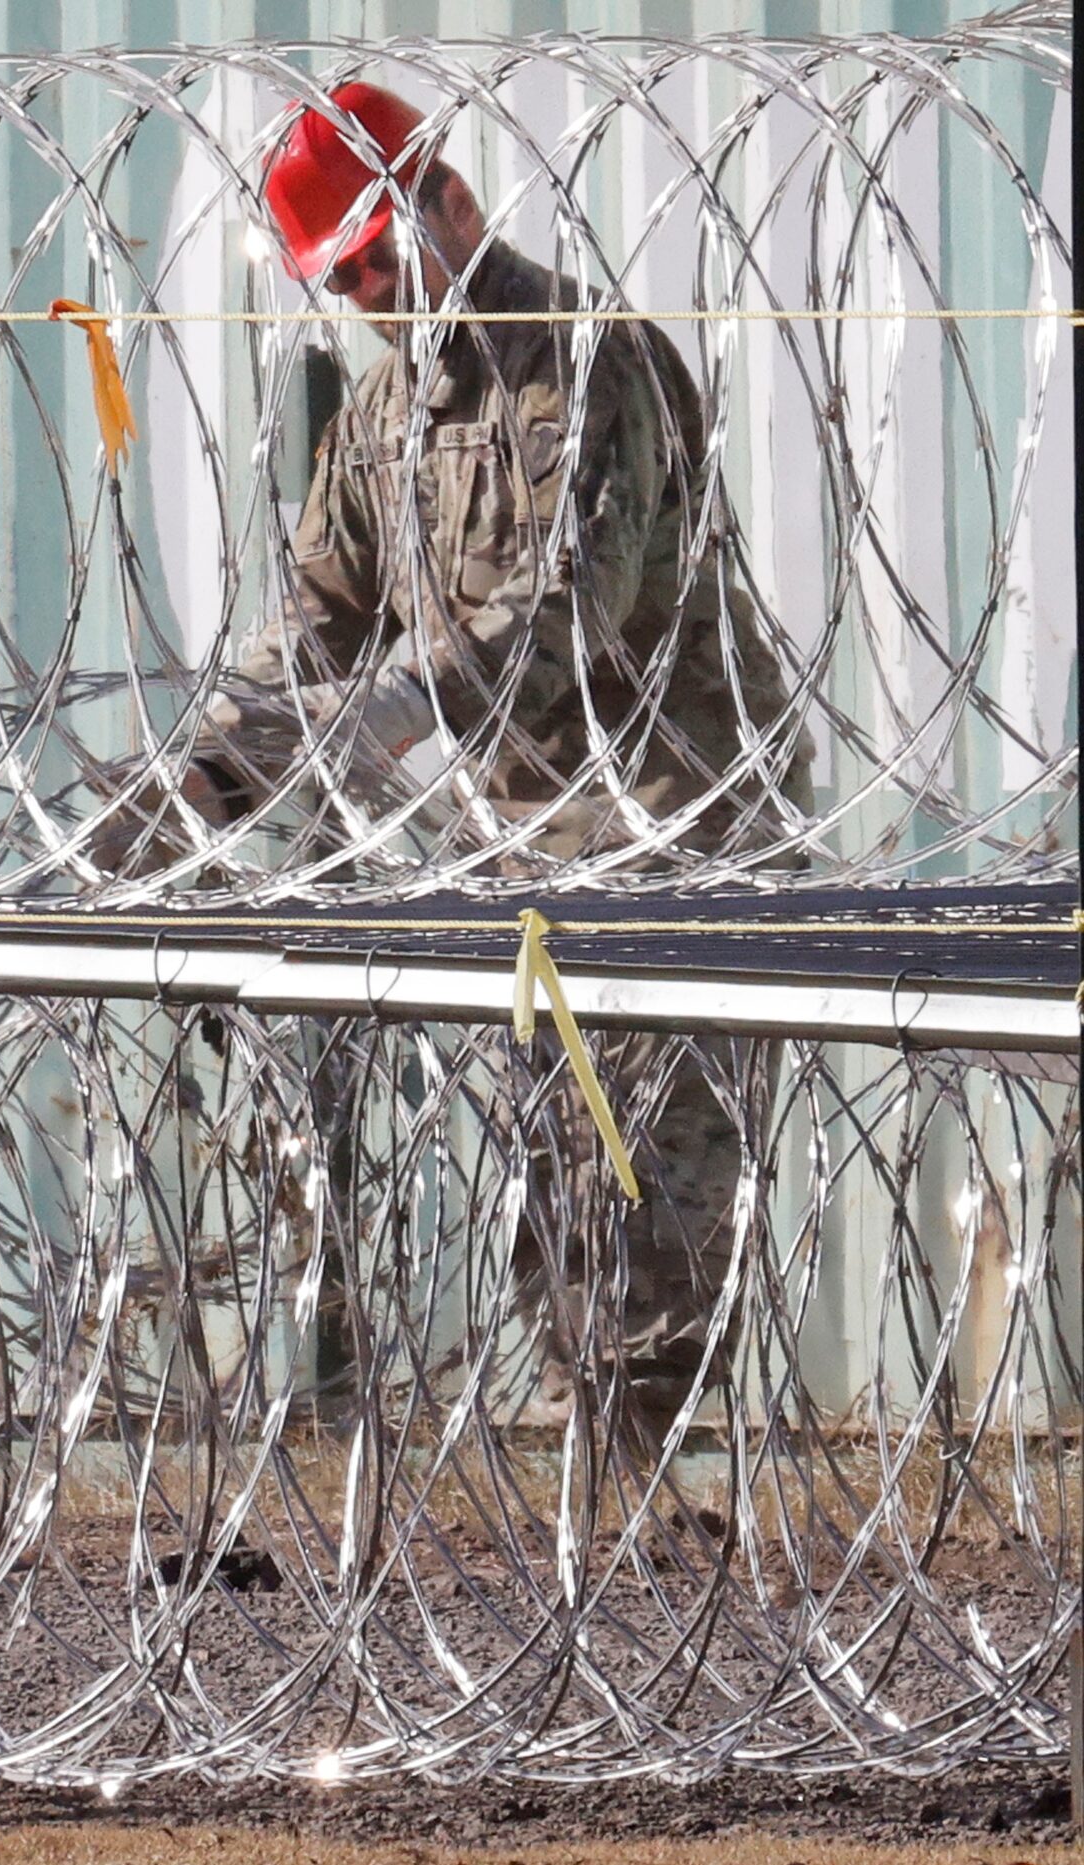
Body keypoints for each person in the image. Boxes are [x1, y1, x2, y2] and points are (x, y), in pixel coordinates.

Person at [117, 82, 815, 1435]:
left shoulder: (592, 363)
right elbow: (314, 622)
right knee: (560, 1185)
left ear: (445, 201)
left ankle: (653, 1528)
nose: (370, 293)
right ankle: (590, 1505)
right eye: (345, 279)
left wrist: (397, 706)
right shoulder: (378, 418)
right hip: (532, 850)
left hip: (674, 827)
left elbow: (566, 612)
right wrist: (205, 781)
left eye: (380, 258)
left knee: (656, 1205)